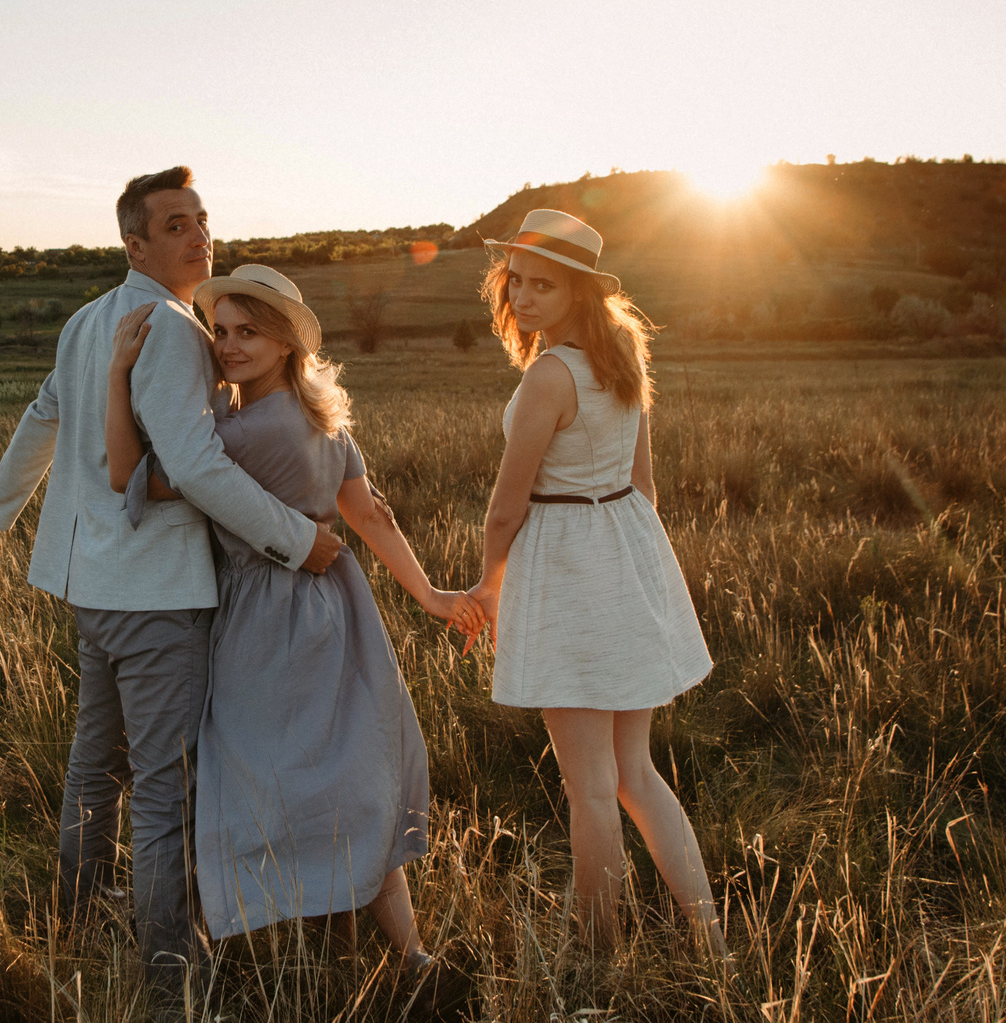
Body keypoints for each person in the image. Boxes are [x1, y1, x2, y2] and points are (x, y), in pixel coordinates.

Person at [0, 168, 345, 1010]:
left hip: (96, 588)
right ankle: (169, 982)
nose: (199, 235)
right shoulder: (167, 329)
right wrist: (298, 537)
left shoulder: (89, 318)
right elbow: (196, 466)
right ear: (136, 244)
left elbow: (39, 418)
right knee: (163, 785)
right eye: (175, 225)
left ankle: (75, 927)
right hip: (156, 595)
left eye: (202, 218)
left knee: (97, 767)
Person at [105, 264, 469, 965]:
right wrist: (429, 595)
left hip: (266, 617)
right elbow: (371, 517)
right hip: (339, 608)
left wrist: (120, 376)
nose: (229, 345)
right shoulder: (321, 417)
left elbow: (127, 473)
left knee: (261, 773)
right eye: (220, 331)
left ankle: (271, 945)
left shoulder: (246, 434)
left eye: (249, 332)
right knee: (344, 769)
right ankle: (407, 953)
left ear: (283, 344)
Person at [462, 208, 723, 953]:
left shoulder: (551, 374)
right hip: (621, 554)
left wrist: (489, 586)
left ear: (580, 291)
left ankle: (599, 952)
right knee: (634, 773)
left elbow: (504, 507)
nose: (524, 295)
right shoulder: (623, 358)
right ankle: (712, 939)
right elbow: (644, 489)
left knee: (591, 786)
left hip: (569, 572)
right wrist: (634, 570)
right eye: (516, 280)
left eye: (544, 283)